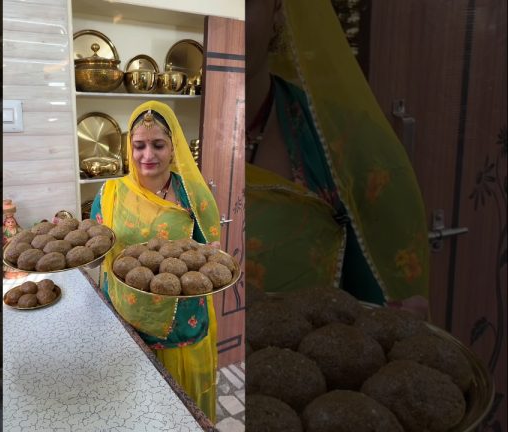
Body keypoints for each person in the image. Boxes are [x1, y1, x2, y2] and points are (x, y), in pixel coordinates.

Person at [245, 0, 430, 314]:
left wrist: (392, 324)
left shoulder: (345, 144)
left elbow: (382, 304)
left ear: (277, 10)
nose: (213, 16)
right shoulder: (157, 135)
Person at [91, 100, 223, 422]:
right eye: (139, 146)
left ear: (173, 146)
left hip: (178, 324)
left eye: (158, 145)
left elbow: (209, 257)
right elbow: (96, 254)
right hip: (126, 316)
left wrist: (213, 252)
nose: (147, 155)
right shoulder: (110, 192)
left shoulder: (193, 195)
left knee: (178, 413)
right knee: (135, 410)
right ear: (130, 148)